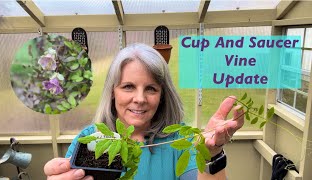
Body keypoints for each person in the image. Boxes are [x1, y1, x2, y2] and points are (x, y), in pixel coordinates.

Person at [44, 43, 244, 180]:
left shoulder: (180, 140)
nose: (139, 99)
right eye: (128, 86)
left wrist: (211, 154)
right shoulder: (90, 139)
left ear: (162, 95)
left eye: (151, 88)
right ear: (112, 92)